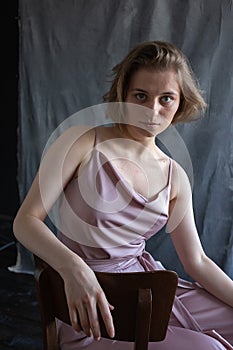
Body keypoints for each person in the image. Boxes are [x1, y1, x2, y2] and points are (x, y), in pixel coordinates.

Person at [13, 41, 233, 349]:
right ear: (123, 95)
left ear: (180, 102)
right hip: (91, 297)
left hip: (145, 287)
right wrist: (72, 267)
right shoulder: (81, 142)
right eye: (140, 96)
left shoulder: (175, 176)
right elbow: (26, 221)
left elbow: (196, 260)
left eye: (166, 99)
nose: (152, 111)